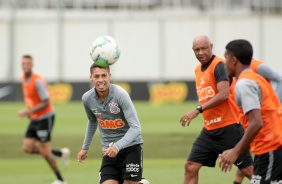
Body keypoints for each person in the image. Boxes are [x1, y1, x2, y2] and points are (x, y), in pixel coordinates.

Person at [179, 35, 253, 184]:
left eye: (204, 48)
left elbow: (224, 94)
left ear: (211, 47)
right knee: (190, 166)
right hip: (210, 131)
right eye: (197, 50)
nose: (201, 52)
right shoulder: (197, 70)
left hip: (229, 127)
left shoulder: (219, 65)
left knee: (249, 171)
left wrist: (198, 110)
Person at [220, 39, 282, 183]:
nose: (224, 63)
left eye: (226, 58)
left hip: (270, 150)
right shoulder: (257, 79)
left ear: (233, 60)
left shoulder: (244, 84)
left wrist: (234, 152)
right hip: (269, 150)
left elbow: (256, 123)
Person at [77, 63, 144, 184]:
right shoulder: (87, 98)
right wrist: (85, 148)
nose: (100, 80)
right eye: (96, 76)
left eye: (104, 75)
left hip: (131, 147)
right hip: (109, 150)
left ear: (110, 76)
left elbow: (136, 128)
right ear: (91, 78)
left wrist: (117, 146)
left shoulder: (120, 95)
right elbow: (92, 121)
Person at [18, 55, 70, 184]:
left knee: (45, 152)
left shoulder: (38, 81)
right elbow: (31, 98)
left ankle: (61, 180)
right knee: (27, 148)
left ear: (32, 65)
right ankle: (60, 153)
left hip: (45, 118)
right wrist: (31, 113)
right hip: (35, 118)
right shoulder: (23, 78)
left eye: (28, 64)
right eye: (24, 63)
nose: (25, 66)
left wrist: (27, 112)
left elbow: (46, 102)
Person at [232, 59, 282, 184]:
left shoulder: (257, 67)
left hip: (268, 125)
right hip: (259, 122)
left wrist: (274, 104)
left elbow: (279, 79)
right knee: (254, 146)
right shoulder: (239, 76)